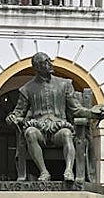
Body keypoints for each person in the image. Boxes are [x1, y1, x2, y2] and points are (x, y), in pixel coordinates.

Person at [7, 52, 80, 182]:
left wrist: (95, 113)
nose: (50, 64)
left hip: (59, 127)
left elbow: (76, 109)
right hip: (39, 128)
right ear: (38, 67)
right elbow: (19, 112)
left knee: (67, 134)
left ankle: (68, 171)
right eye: (45, 62)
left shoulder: (65, 84)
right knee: (30, 133)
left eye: (49, 61)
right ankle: (44, 172)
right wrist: (12, 117)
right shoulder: (27, 89)